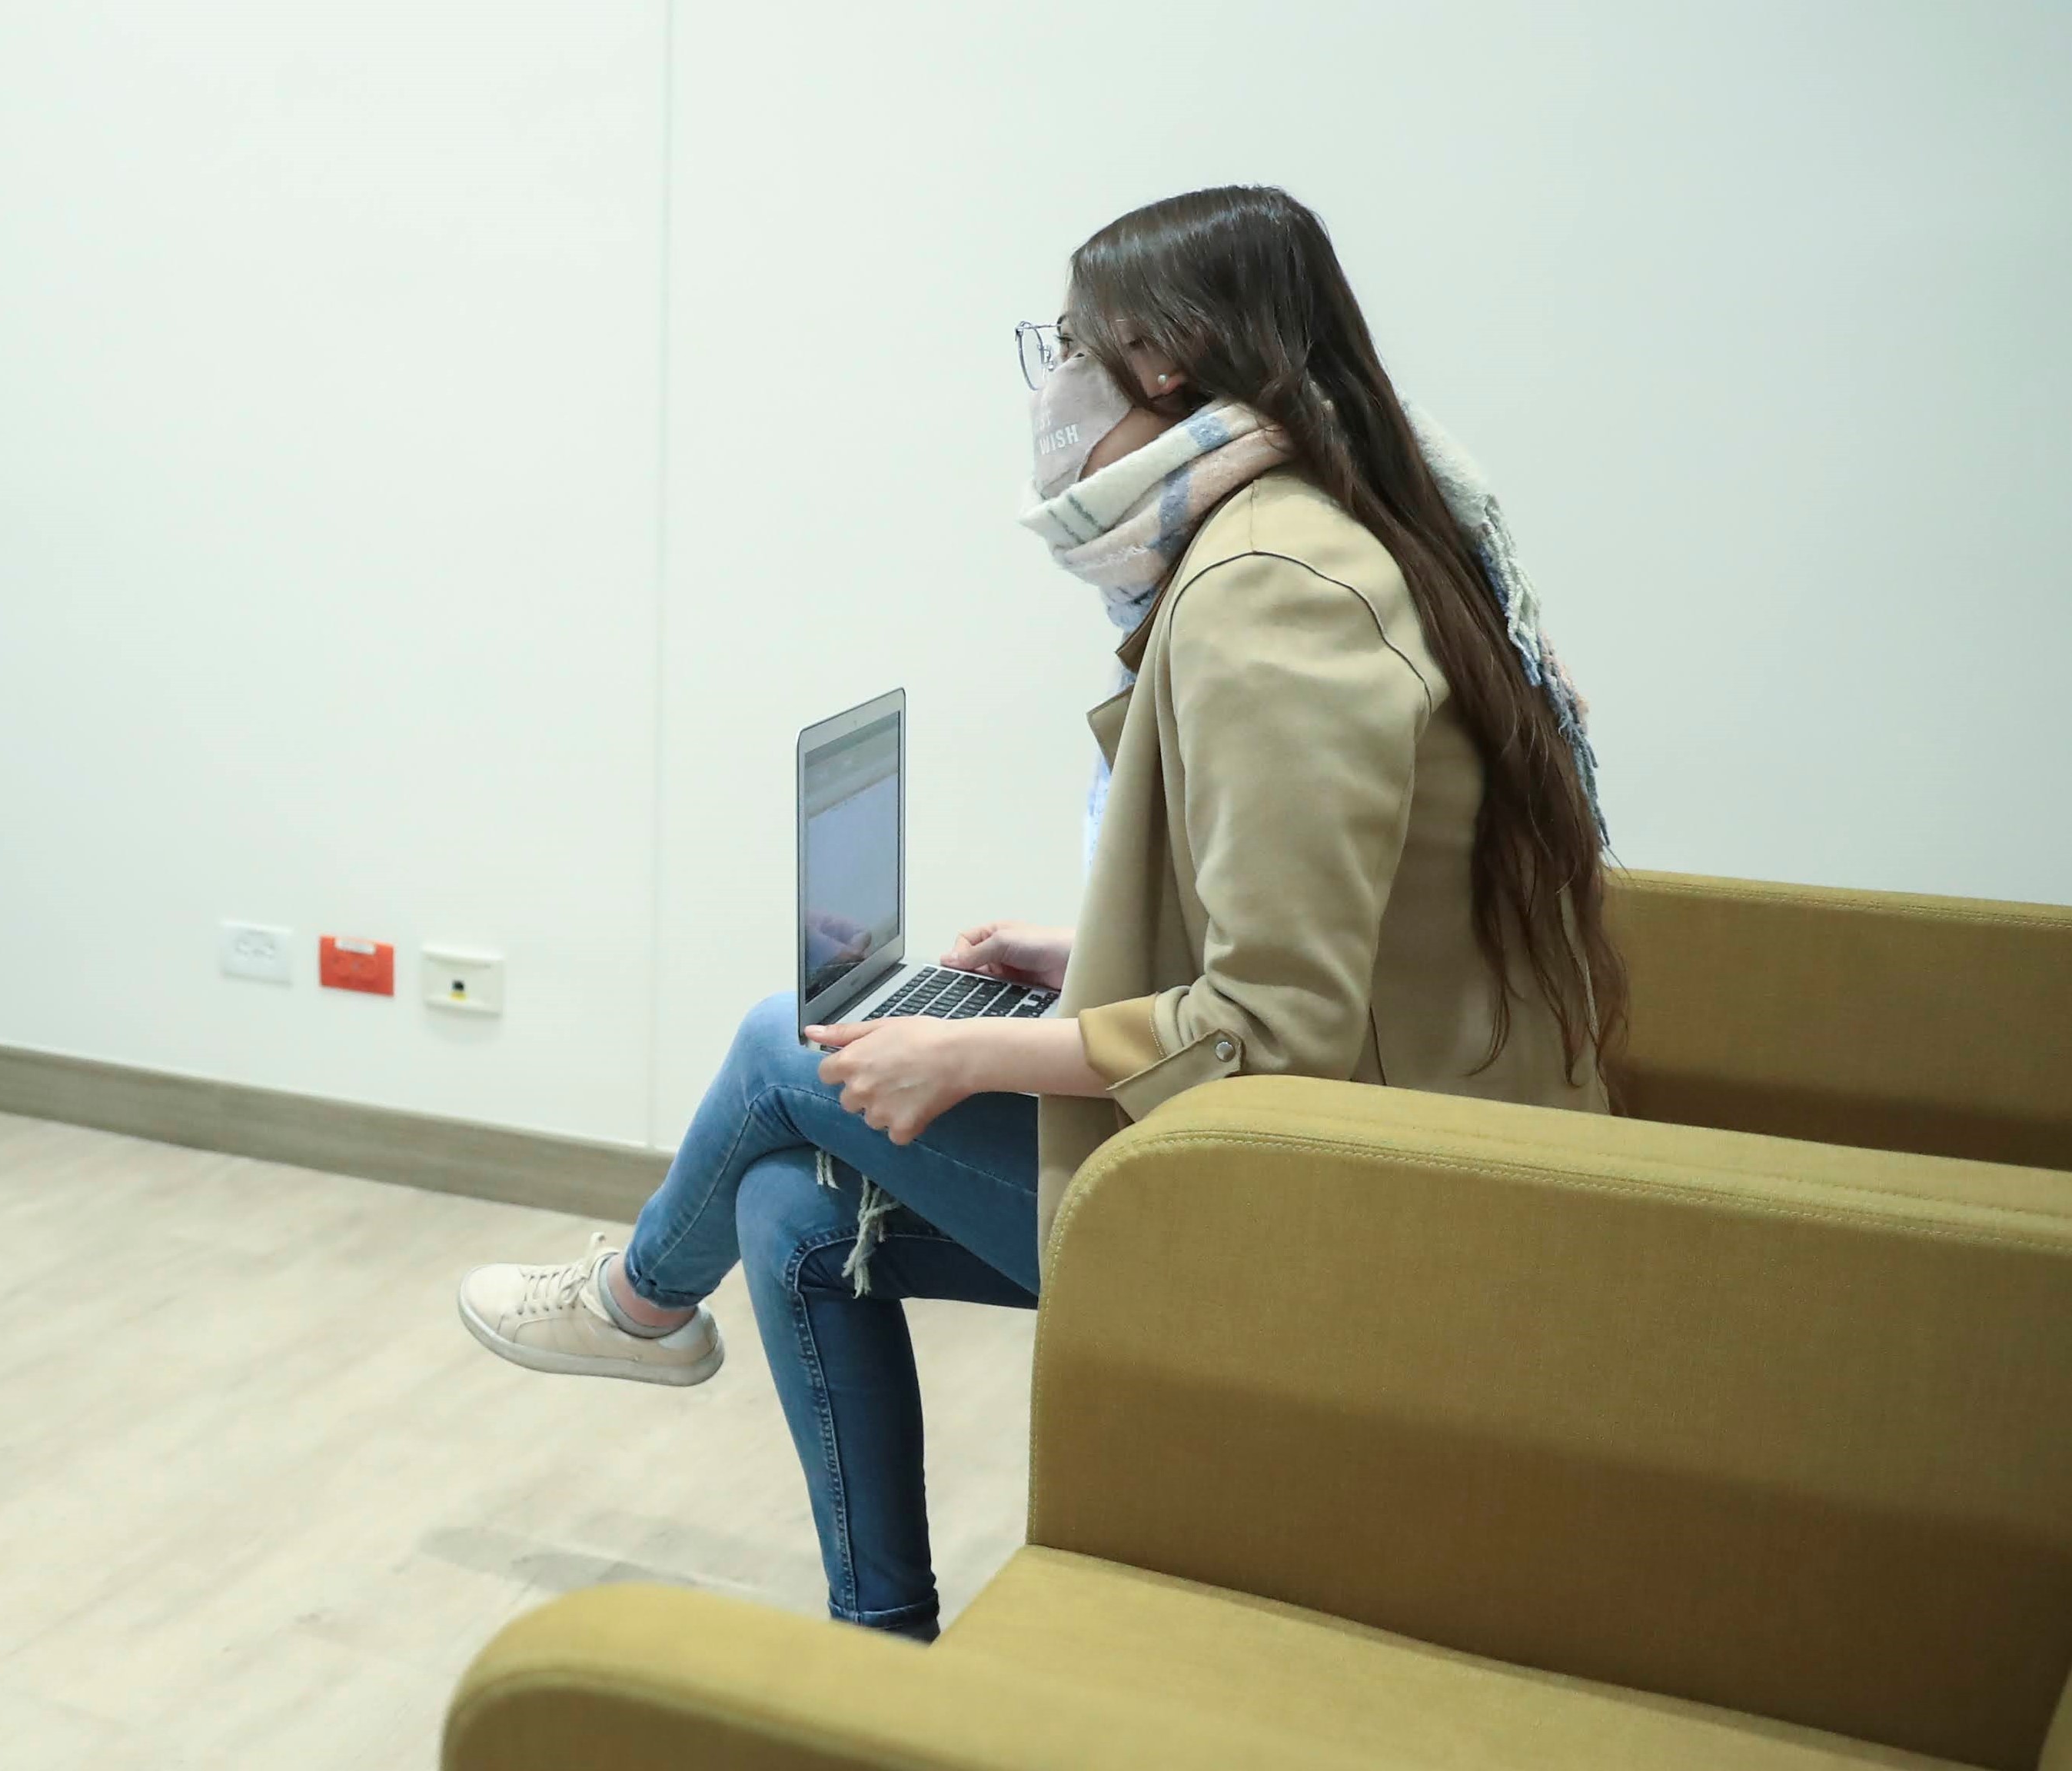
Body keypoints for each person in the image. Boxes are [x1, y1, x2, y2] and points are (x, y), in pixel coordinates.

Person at [456, 183, 1626, 1643]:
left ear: (1166, 362)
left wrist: (968, 1050)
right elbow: (1363, 924)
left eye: (1069, 345)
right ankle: (884, 1648)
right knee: (791, 1213)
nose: (1053, 383)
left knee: (780, 1046)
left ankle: (635, 1303)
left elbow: (1280, 1030)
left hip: (1359, 1221)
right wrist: (1082, 961)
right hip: (1394, 1139)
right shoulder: (1340, 526)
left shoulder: (1269, 590)